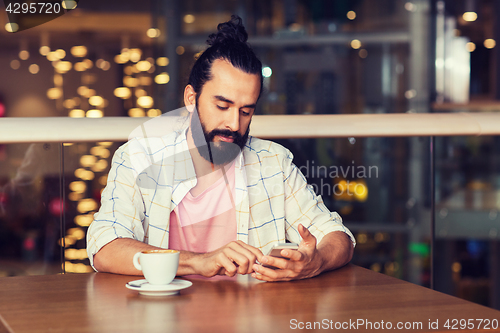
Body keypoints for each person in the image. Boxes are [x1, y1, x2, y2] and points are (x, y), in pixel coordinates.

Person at [86, 15, 355, 282]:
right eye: (222, 106)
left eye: (246, 111)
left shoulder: (273, 163)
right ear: (191, 99)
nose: (234, 124)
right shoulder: (140, 157)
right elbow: (104, 246)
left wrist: (316, 262)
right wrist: (198, 261)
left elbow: (338, 236)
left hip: (250, 320)